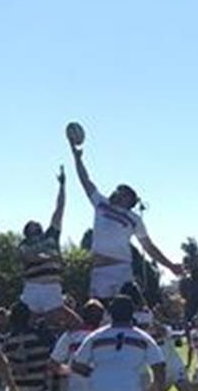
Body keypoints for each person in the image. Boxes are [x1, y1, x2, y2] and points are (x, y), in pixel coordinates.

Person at [67, 125, 184, 299]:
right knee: (98, 314)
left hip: (121, 270)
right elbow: (85, 180)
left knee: (127, 313)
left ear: (128, 199)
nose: (115, 192)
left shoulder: (134, 219)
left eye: (120, 191)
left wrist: (170, 265)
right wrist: (76, 157)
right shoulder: (100, 203)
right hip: (99, 270)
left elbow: (149, 247)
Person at [18, 166, 81, 330]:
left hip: (52, 287)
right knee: (25, 326)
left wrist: (62, 186)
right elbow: (29, 257)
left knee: (74, 323)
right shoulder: (24, 244)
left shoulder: (51, 236)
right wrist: (51, 257)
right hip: (33, 287)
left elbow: (59, 209)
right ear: (26, 232)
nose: (35, 225)